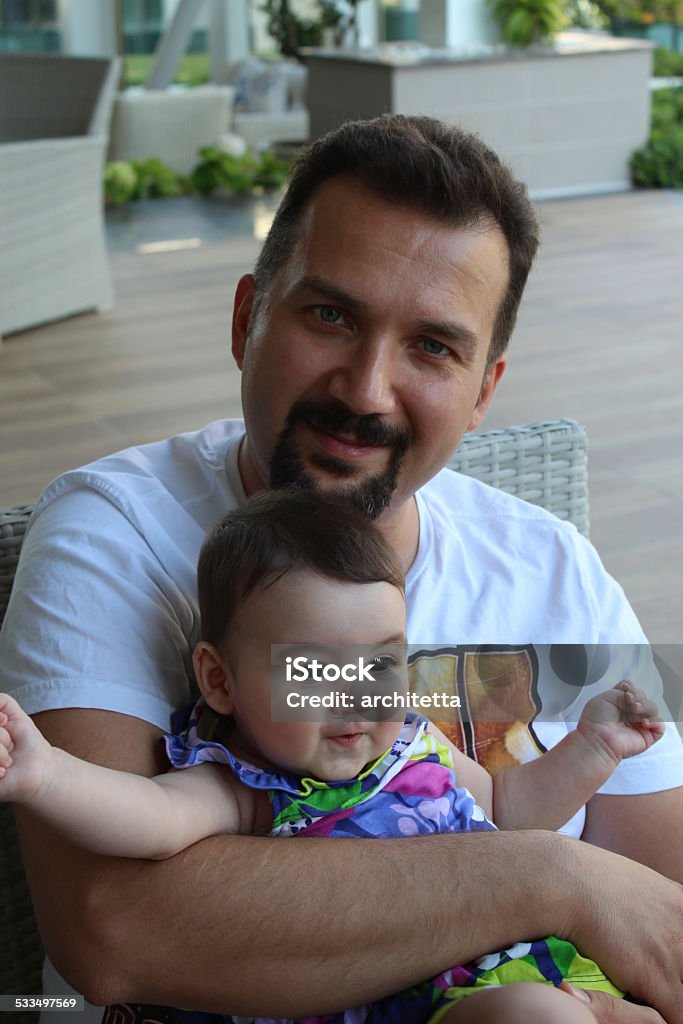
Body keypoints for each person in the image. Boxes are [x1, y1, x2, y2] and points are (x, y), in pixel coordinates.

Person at [0, 114, 681, 1024]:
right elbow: (116, 931)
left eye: (432, 347)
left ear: (483, 389)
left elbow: (658, 912)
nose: (364, 390)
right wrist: (545, 876)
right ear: (247, 319)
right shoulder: (116, 536)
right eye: (330, 315)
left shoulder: (550, 564)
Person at [0, 490, 667, 1024]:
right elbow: (148, 815)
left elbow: (511, 809)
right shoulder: (242, 783)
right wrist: (48, 775)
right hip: (400, 998)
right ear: (219, 681)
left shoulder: (411, 740)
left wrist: (592, 747)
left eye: (379, 663)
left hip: (513, 970)